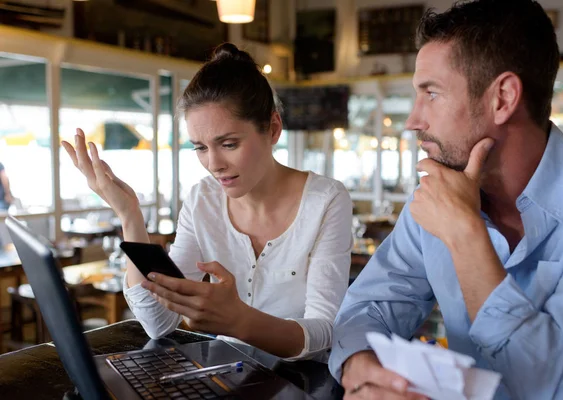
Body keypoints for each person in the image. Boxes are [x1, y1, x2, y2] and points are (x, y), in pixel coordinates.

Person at [329, 0, 563, 399]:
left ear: (503, 98)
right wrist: (363, 368)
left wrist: (465, 235)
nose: (413, 120)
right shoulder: (437, 193)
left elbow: (562, 388)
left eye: (431, 93)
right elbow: (366, 308)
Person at [62, 43, 353, 360]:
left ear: (272, 129)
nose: (214, 164)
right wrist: (130, 215)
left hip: (303, 382)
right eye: (200, 148)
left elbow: (324, 331)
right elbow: (158, 322)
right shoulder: (202, 199)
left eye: (228, 144)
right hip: (229, 375)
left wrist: (241, 322)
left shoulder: (326, 199)